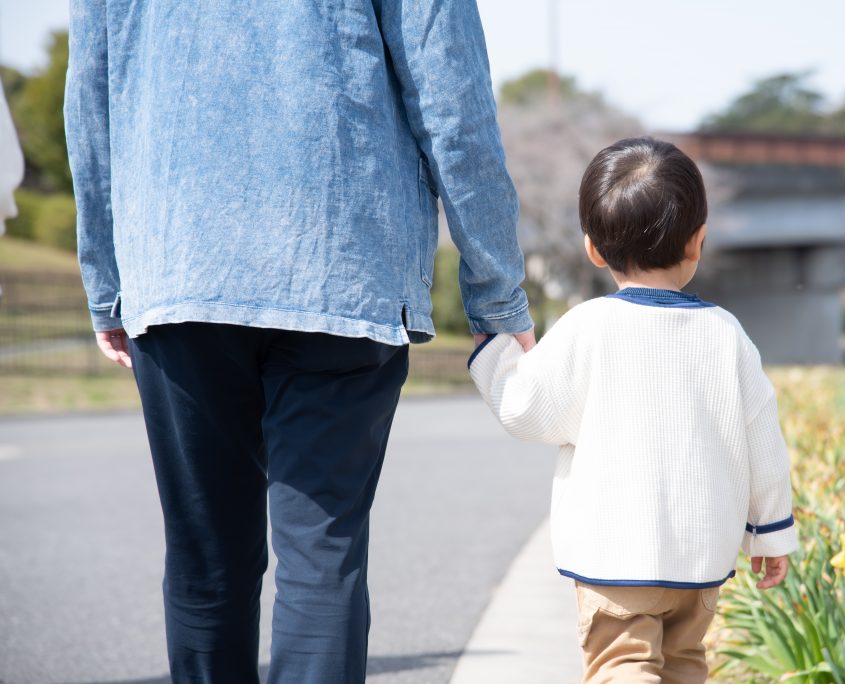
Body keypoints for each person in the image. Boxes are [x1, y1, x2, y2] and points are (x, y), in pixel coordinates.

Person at [65, 1, 534, 681]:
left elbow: (91, 99)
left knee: (207, 559)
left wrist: (107, 279)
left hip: (179, 261)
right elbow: (452, 101)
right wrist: (496, 293)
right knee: (323, 555)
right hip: (340, 264)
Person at [468, 137, 798, 684]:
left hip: (614, 554)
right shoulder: (725, 333)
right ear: (698, 242)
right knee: (685, 665)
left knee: (622, 667)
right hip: (699, 558)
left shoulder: (587, 326)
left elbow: (528, 409)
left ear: (594, 250)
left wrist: (495, 352)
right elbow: (763, 440)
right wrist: (770, 533)